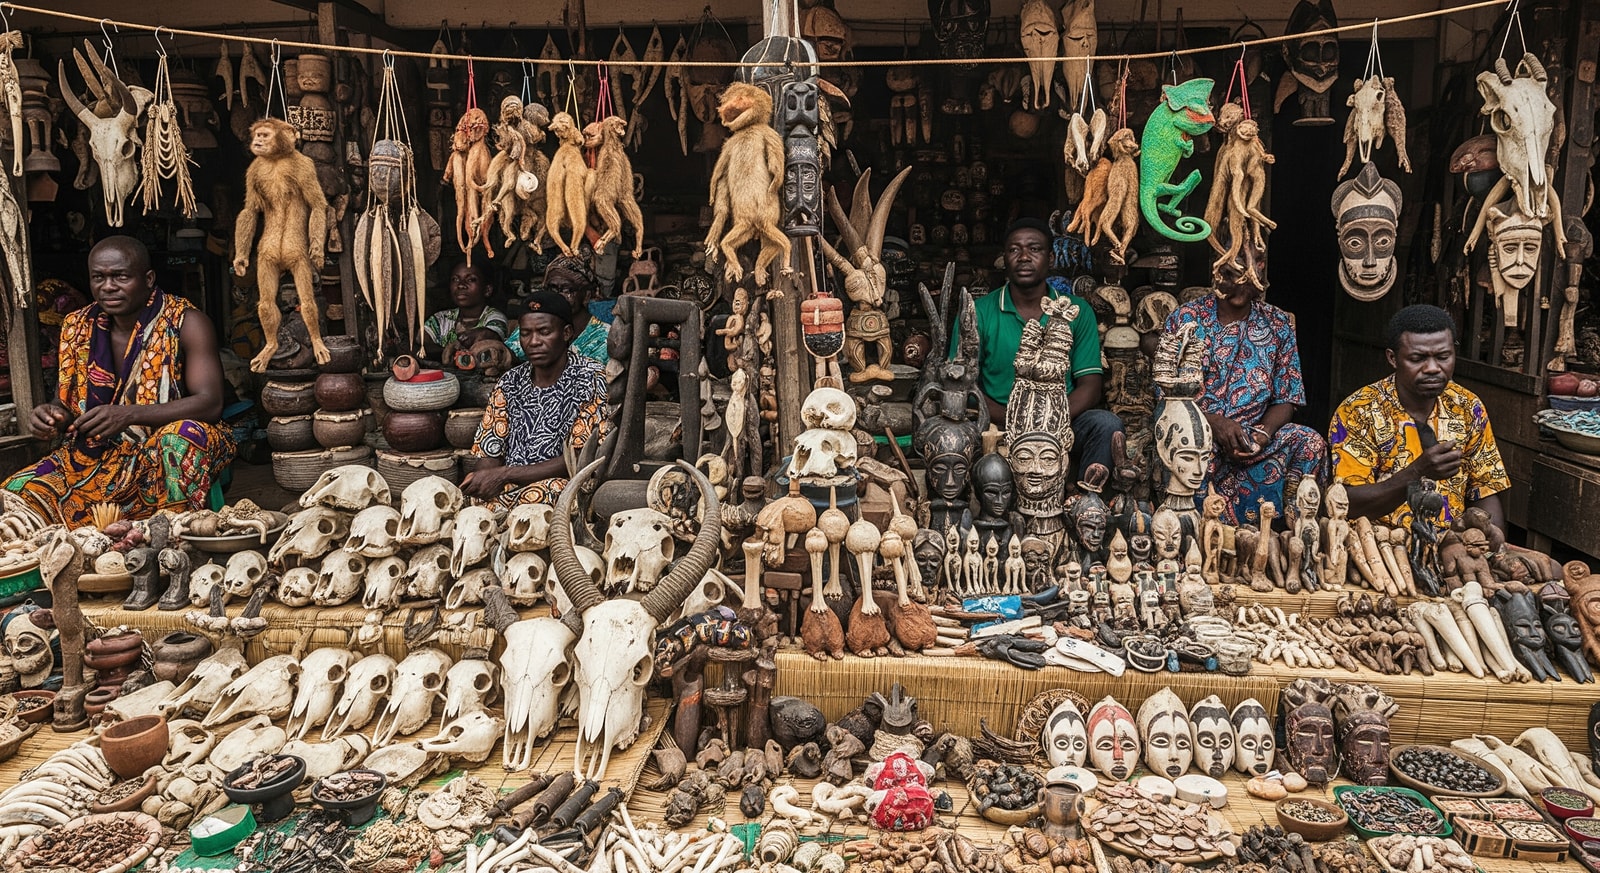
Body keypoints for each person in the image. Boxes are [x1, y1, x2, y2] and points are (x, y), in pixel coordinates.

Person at [4, 236, 234, 526]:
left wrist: (129, 414)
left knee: (182, 435)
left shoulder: (186, 322)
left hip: (164, 449)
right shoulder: (76, 327)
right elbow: (68, 403)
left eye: (120, 276)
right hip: (95, 454)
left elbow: (210, 403)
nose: (108, 286)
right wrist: (52, 416)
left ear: (148, 278)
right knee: (15, 493)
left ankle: (172, 535)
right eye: (98, 277)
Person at [1164, 258, 1326, 525]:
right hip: (1195, 434)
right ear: (1215, 272)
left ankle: (1289, 531)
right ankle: (1195, 530)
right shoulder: (1185, 319)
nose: (1238, 286)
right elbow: (1167, 395)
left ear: (1260, 272)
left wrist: (1262, 433)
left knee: (1309, 442)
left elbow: (1287, 398)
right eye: (1229, 275)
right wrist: (1213, 423)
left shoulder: (1277, 323)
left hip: (1252, 438)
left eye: (1246, 277)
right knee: (1191, 448)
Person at [959, 218, 1121, 471]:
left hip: (1062, 420)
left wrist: (1048, 418)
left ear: (1051, 259)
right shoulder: (978, 312)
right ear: (1005, 258)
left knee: (1106, 425)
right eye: (1014, 250)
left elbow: (1090, 386)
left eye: (1034, 249)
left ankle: (1087, 503)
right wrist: (1017, 419)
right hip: (998, 421)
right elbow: (963, 386)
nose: (1024, 257)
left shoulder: (1076, 310)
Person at [1329, 304, 1509, 530]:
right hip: (1377, 548)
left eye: (1443, 357)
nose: (1433, 368)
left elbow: (1485, 488)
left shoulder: (1468, 406)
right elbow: (1346, 503)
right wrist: (1417, 472)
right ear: (1393, 358)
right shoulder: (1359, 410)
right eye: (1417, 358)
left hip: (1452, 543)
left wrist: (1490, 538)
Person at [463, 291, 608, 509]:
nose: (533, 342)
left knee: (549, 493)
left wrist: (505, 474)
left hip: (562, 484)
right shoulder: (510, 382)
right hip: (510, 484)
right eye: (525, 333)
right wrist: (484, 479)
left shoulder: (590, 378)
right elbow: (490, 449)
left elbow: (579, 457)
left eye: (544, 332)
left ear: (566, 333)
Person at [507, 256, 609, 364]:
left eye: (566, 290)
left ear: (586, 296)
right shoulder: (534, 325)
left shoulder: (603, 337)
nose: (558, 295)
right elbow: (511, 354)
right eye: (552, 289)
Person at [422, 261, 510, 363]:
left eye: (471, 279)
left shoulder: (495, 317)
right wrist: (446, 352)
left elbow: (488, 335)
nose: (461, 285)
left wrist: (457, 347)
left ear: (487, 290)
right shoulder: (441, 319)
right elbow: (420, 345)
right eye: (455, 279)